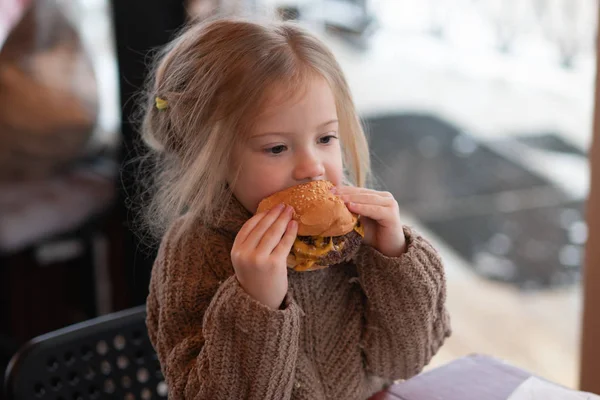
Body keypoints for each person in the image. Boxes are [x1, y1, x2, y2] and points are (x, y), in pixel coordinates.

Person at [142, 16, 451, 400]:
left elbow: (402, 364)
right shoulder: (194, 252)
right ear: (211, 157)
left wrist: (394, 259)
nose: (312, 166)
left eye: (325, 137)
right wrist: (255, 303)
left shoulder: (354, 236)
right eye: (276, 148)